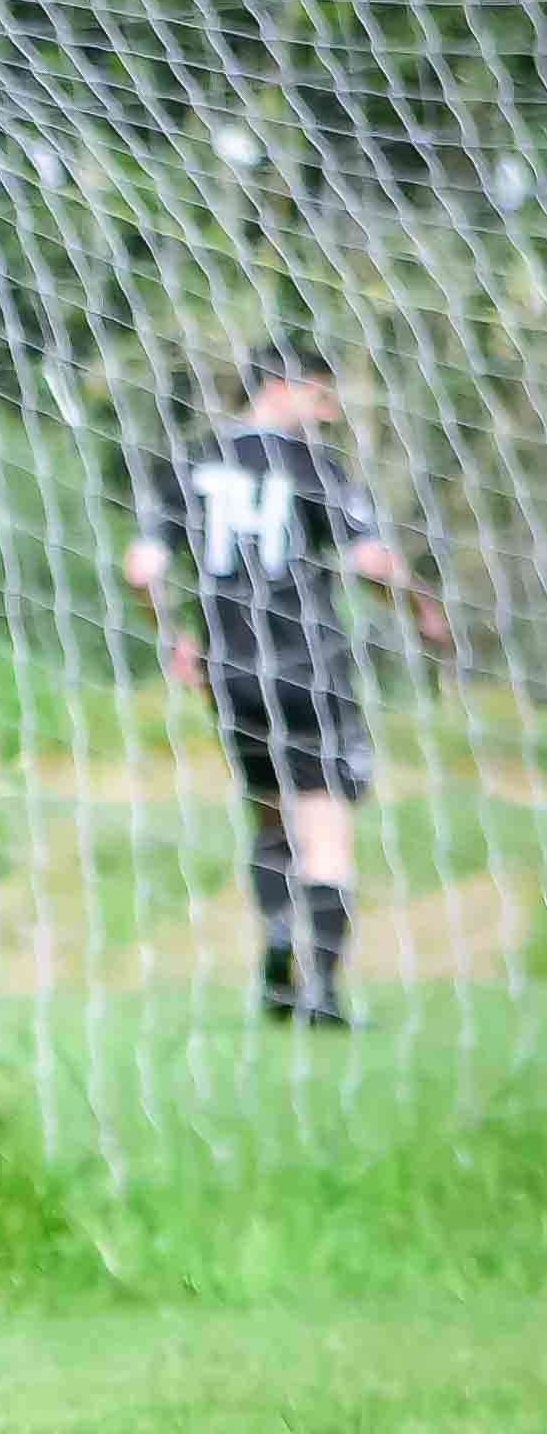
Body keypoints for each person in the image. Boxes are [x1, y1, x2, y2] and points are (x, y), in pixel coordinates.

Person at [124, 341, 448, 1027]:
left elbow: (140, 568)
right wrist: (422, 606)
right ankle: (322, 993)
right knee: (325, 830)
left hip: (230, 671)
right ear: (278, 385)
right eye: (319, 395)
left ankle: (277, 954)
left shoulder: (193, 460)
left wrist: (173, 635)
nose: (327, 412)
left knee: (270, 819)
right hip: (306, 667)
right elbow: (369, 561)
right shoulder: (309, 464)